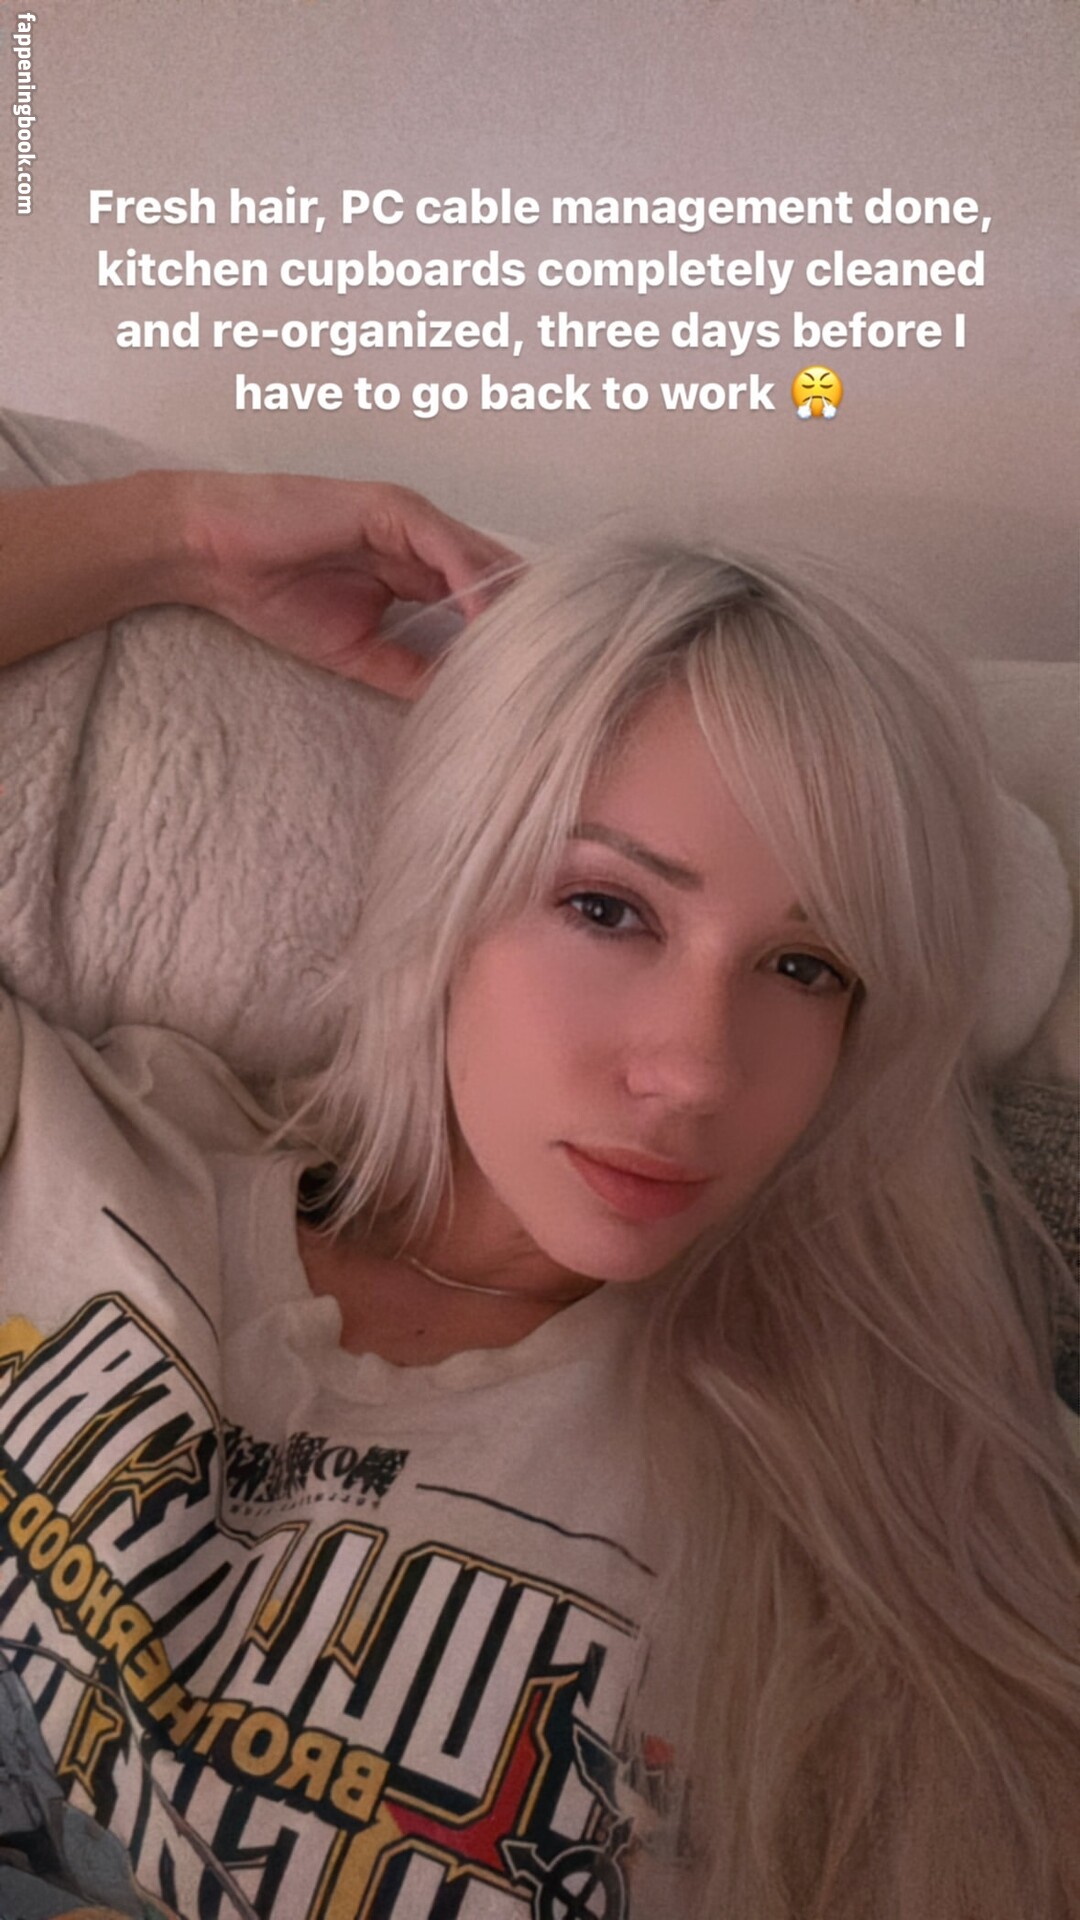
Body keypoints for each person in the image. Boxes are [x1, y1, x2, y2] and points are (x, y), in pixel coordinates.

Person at [0, 469, 1076, 1920]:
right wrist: (174, 535)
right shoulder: (82, 1147)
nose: (697, 1072)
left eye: (806, 966)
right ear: (444, 892)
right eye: (607, 907)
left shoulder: (905, 1506)